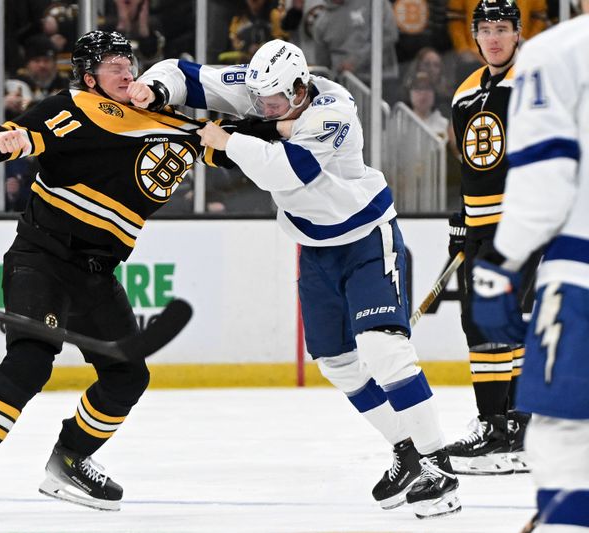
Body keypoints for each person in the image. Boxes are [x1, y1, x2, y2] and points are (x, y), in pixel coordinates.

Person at [131, 39, 461, 519]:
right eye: (260, 101)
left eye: (275, 102)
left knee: (383, 349)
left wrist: (229, 140)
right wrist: (155, 89)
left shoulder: (335, 108)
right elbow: (188, 74)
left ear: (301, 87)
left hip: (367, 239)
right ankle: (407, 451)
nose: (265, 108)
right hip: (316, 250)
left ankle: (441, 466)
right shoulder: (263, 90)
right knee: (336, 361)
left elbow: (289, 171)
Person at [0, 30, 234, 519]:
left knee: (128, 374)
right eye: (113, 64)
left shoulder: (168, 123)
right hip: (42, 259)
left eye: (129, 62)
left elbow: (235, 146)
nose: (127, 71)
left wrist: (280, 122)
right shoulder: (68, 108)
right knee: (31, 360)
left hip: (97, 275)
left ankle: (69, 459)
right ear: (89, 76)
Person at [469, 6, 589, 530]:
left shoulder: (557, 51)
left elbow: (545, 177)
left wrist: (499, 260)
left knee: (566, 432)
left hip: (581, 267)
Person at [447, 0, 537, 475]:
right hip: (481, 228)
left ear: (518, 33)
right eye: (486, 29)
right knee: (480, 323)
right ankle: (505, 426)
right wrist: (461, 219)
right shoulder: (463, 94)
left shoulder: (534, 84)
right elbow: (470, 166)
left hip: (522, 225)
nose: (495, 37)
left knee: (499, 319)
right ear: (475, 35)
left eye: (503, 28)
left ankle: (509, 426)